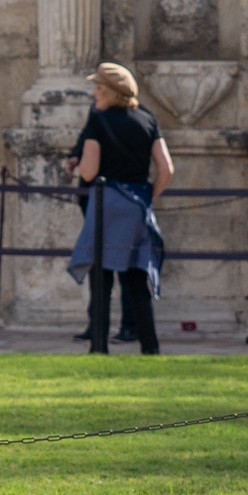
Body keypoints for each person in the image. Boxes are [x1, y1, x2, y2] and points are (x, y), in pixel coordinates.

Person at [67, 62, 174, 354]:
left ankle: (99, 347)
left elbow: (88, 172)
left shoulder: (98, 121)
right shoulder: (147, 118)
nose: (94, 92)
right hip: (137, 204)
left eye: (98, 87)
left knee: (101, 277)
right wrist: (149, 194)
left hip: (106, 202)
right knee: (136, 279)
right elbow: (166, 168)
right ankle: (150, 347)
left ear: (111, 91)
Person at [65, 118, 139, 344]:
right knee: (99, 263)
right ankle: (98, 324)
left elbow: (89, 170)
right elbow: (87, 136)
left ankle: (128, 325)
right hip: (108, 199)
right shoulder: (98, 114)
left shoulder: (129, 118)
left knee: (123, 266)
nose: (96, 91)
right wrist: (77, 153)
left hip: (112, 195)